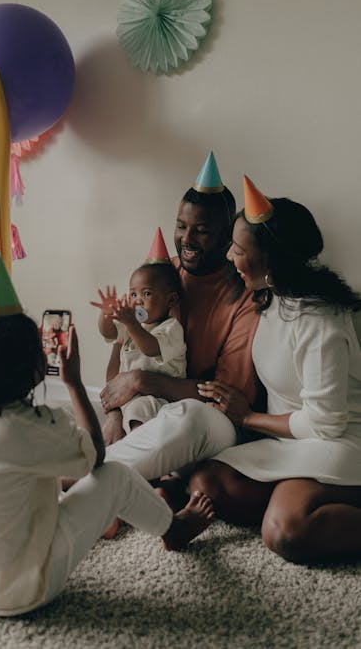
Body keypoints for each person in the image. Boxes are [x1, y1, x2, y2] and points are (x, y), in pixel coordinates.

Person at [0, 253, 215, 617]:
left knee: (22, 480)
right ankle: (173, 529)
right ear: (33, 366)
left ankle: (118, 517)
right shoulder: (39, 424)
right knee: (114, 477)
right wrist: (75, 383)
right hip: (21, 591)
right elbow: (96, 457)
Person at [164, 176, 361, 563]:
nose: (228, 257)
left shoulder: (321, 321)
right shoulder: (270, 299)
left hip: (337, 442)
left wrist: (248, 417)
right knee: (206, 484)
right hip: (286, 444)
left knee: (285, 533)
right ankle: (297, 497)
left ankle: (300, 504)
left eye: (237, 249)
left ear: (269, 259)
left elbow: (326, 424)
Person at [102, 152, 262, 480]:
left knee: (187, 420)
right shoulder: (162, 275)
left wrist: (144, 382)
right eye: (181, 226)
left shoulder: (243, 295)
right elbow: (125, 353)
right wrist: (115, 414)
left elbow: (226, 397)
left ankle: (90, 477)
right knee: (76, 405)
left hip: (207, 416)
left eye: (202, 231)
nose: (186, 240)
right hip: (145, 405)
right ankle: (139, 482)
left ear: (226, 235)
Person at [91, 228, 186, 439]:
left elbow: (151, 348)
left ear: (170, 301)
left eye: (147, 294)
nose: (137, 301)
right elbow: (107, 332)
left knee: (138, 411)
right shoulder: (131, 324)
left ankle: (137, 450)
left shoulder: (171, 329)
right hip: (128, 396)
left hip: (159, 398)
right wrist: (106, 314)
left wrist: (131, 323)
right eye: (133, 294)